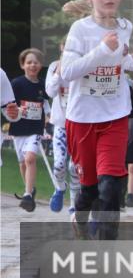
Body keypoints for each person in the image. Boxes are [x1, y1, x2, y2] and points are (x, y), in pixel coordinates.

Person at [59, 0, 133, 239]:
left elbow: (122, 62)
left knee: (111, 184)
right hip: (83, 118)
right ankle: (79, 215)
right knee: (89, 187)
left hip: (115, 115)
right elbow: (68, 71)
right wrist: (101, 50)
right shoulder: (80, 29)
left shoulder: (125, 27)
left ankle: (107, 249)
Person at [10, 48, 50, 212]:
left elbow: (45, 102)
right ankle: (31, 189)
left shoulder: (42, 85)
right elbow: (8, 103)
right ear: (23, 65)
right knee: (22, 162)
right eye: (29, 62)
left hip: (35, 128)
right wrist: (15, 111)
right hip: (19, 128)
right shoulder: (17, 83)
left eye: (36, 62)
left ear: (40, 65)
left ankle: (27, 195)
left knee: (30, 158)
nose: (33, 65)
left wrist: (48, 115)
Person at [45, 42, 81, 214]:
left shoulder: (83, 65)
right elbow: (50, 92)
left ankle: (74, 202)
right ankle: (60, 187)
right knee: (59, 164)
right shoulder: (53, 66)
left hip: (79, 125)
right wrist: (58, 72)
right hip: (61, 125)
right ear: (61, 47)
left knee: (75, 166)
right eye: (67, 46)